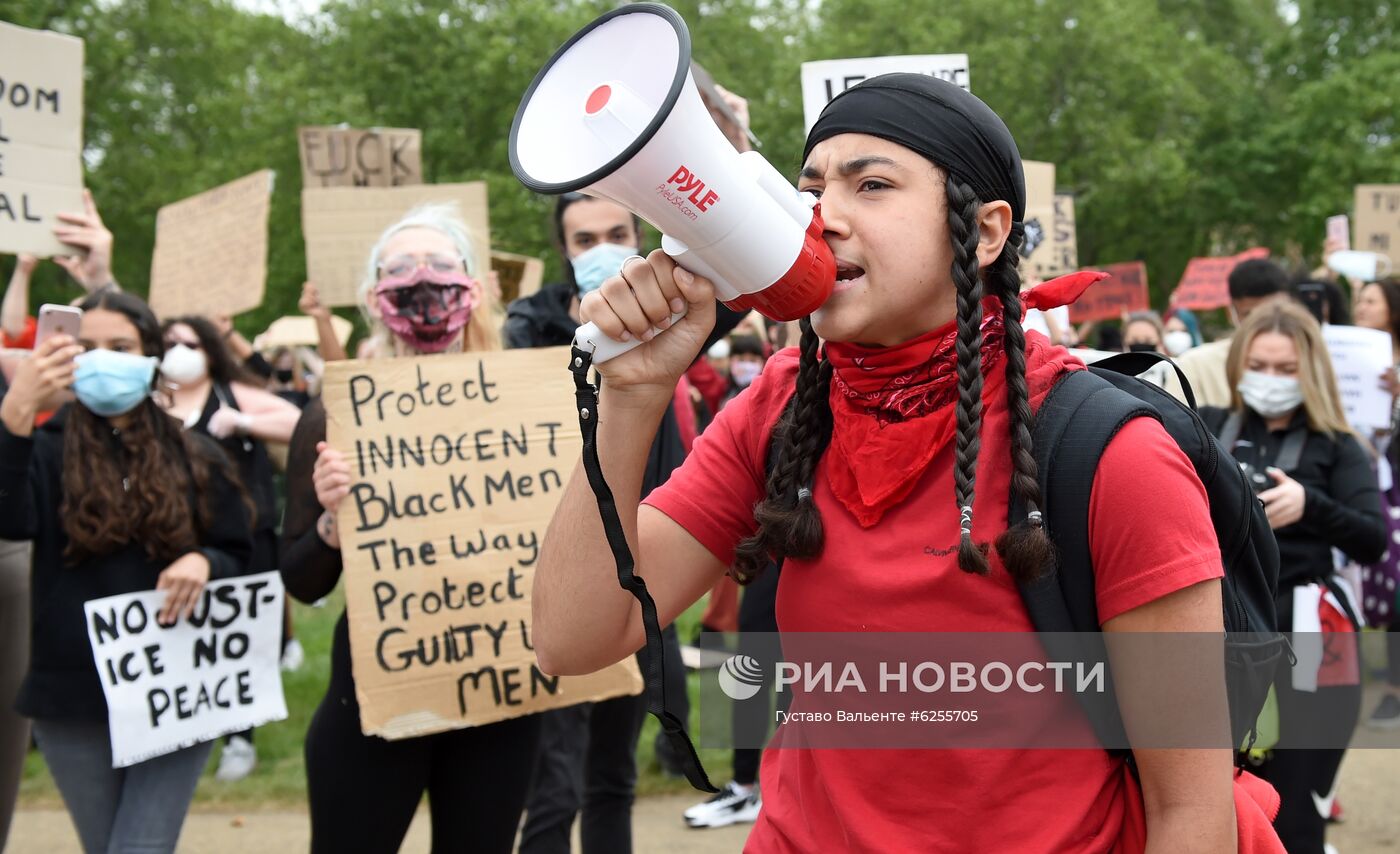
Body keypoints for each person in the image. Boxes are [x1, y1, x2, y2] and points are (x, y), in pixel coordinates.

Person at [533, 74, 1279, 850]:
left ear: (986, 232)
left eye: (874, 185)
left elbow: (1192, 814)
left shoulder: (1108, 451)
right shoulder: (781, 409)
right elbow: (574, 640)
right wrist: (631, 396)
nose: (824, 217)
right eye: (812, 187)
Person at [280, 203, 539, 853]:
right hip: (375, 700)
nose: (422, 279)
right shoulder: (332, 415)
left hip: (497, 698)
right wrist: (331, 528)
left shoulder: (527, 405)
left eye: (440, 264)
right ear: (374, 296)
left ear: (474, 288)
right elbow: (302, 580)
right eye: (401, 267)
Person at [0, 290, 251, 854]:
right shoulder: (40, 451)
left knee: (140, 847)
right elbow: (9, 521)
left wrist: (203, 561)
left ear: (151, 357)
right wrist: (15, 415)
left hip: (176, 688)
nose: (105, 358)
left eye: (121, 346)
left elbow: (244, 554)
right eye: (86, 347)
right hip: (73, 698)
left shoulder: (198, 456)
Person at [1199, 300, 1385, 853]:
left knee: (1300, 796)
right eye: (1259, 366)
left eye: (1286, 370)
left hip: (1312, 634)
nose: (1271, 381)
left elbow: (1371, 539)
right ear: (1239, 365)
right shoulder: (1207, 425)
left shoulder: (1339, 446)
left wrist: (1310, 505)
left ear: (1311, 371)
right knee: (1222, 794)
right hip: (1222, 628)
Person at [158, 314, 303, 782]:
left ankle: (240, 739)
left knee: (238, 639)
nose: (179, 351)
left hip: (242, 537)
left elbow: (299, 423)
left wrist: (245, 423)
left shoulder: (229, 394)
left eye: (190, 343)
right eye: (169, 343)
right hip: (175, 541)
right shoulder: (150, 401)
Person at [1350, 278, 1400, 728]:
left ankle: (1394, 690)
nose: (1361, 306)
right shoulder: (1349, 356)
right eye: (1359, 299)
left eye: (1371, 299)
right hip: (1372, 483)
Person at [1176, 258, 1289, 407]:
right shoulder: (1196, 366)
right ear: (1231, 313)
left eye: (1273, 312)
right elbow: (1177, 424)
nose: (1264, 324)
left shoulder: (1310, 359)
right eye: (1251, 315)